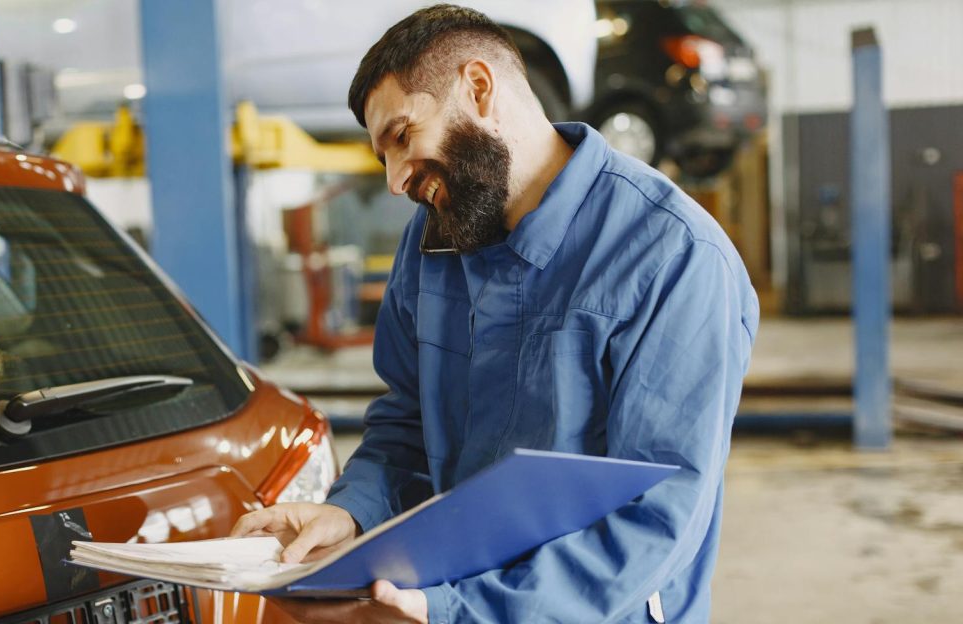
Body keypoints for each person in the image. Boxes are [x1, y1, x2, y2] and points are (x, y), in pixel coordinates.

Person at [232, 5, 759, 622]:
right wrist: (351, 512)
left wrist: (460, 612)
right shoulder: (433, 241)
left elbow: (654, 518)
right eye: (384, 158)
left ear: (478, 89)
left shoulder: (671, 256)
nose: (397, 180)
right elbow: (407, 422)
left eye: (402, 136)